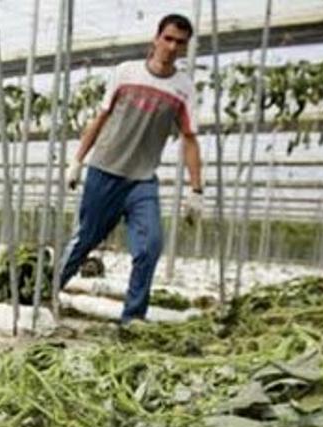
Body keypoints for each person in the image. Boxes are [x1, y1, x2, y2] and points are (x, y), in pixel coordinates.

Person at [57, 13, 204, 324]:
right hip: (105, 170)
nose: (172, 46)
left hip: (141, 180)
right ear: (156, 38)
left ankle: (132, 320)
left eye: (180, 42)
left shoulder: (184, 89)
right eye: (168, 39)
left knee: (150, 246)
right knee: (85, 239)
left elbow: (189, 139)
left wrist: (196, 190)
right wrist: (77, 160)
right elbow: (101, 117)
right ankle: (44, 294)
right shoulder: (125, 73)